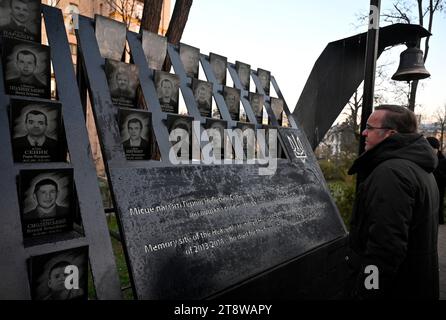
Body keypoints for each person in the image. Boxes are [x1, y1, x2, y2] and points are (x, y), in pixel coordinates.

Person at [346, 104, 439, 299]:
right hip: (416, 284)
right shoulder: (420, 168)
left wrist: (367, 292)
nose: (364, 132)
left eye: (370, 128)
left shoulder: (391, 174)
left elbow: (384, 248)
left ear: (390, 134)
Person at [427, 136, 446, 224]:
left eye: (432, 148)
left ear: (437, 149)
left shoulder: (443, 161)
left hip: (439, 189)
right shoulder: (425, 160)